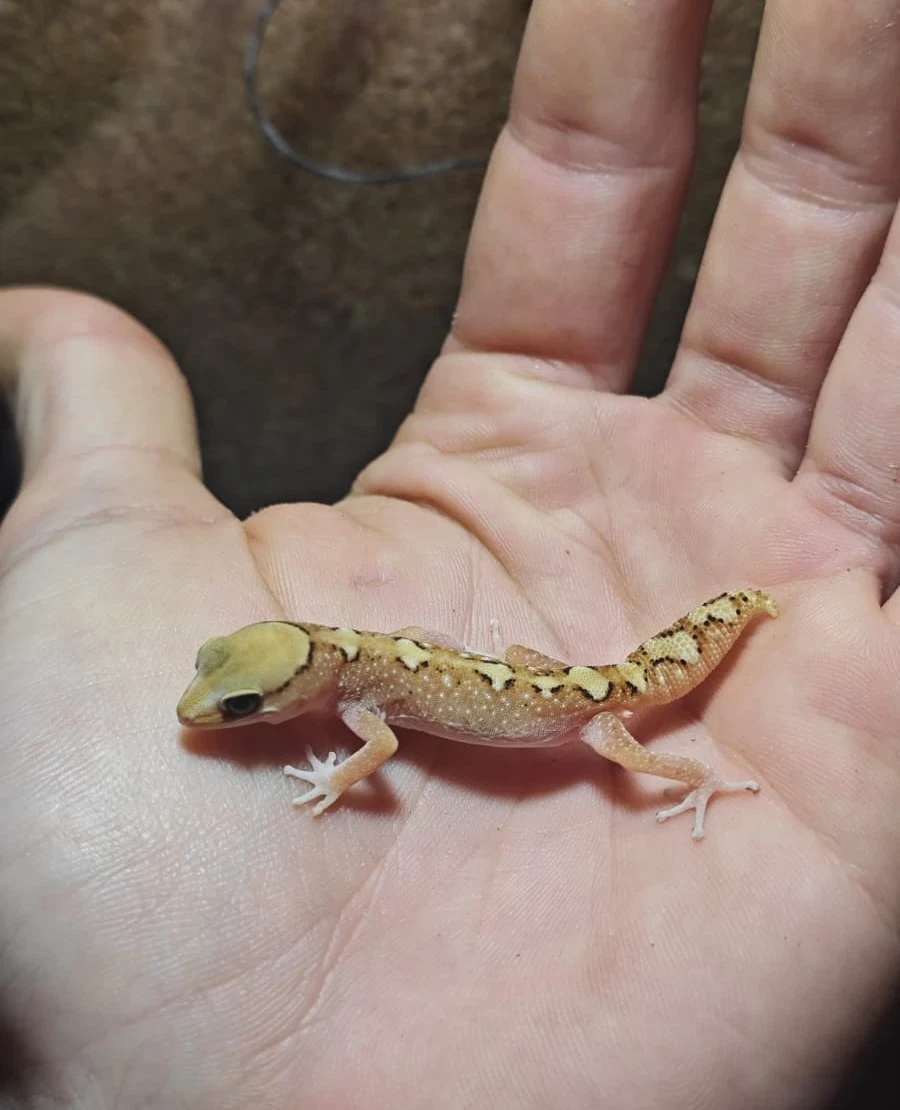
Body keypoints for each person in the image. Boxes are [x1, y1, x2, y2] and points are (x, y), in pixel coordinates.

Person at [2, 1, 899, 1106]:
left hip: (587, 706)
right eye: (232, 692)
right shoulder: (357, 664)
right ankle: (732, 619)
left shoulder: (363, 707)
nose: (214, 711)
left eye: (240, 703)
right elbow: (417, 654)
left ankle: (708, 758)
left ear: (307, 679)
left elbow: (378, 749)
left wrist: (338, 774)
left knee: (632, 767)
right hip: (549, 683)